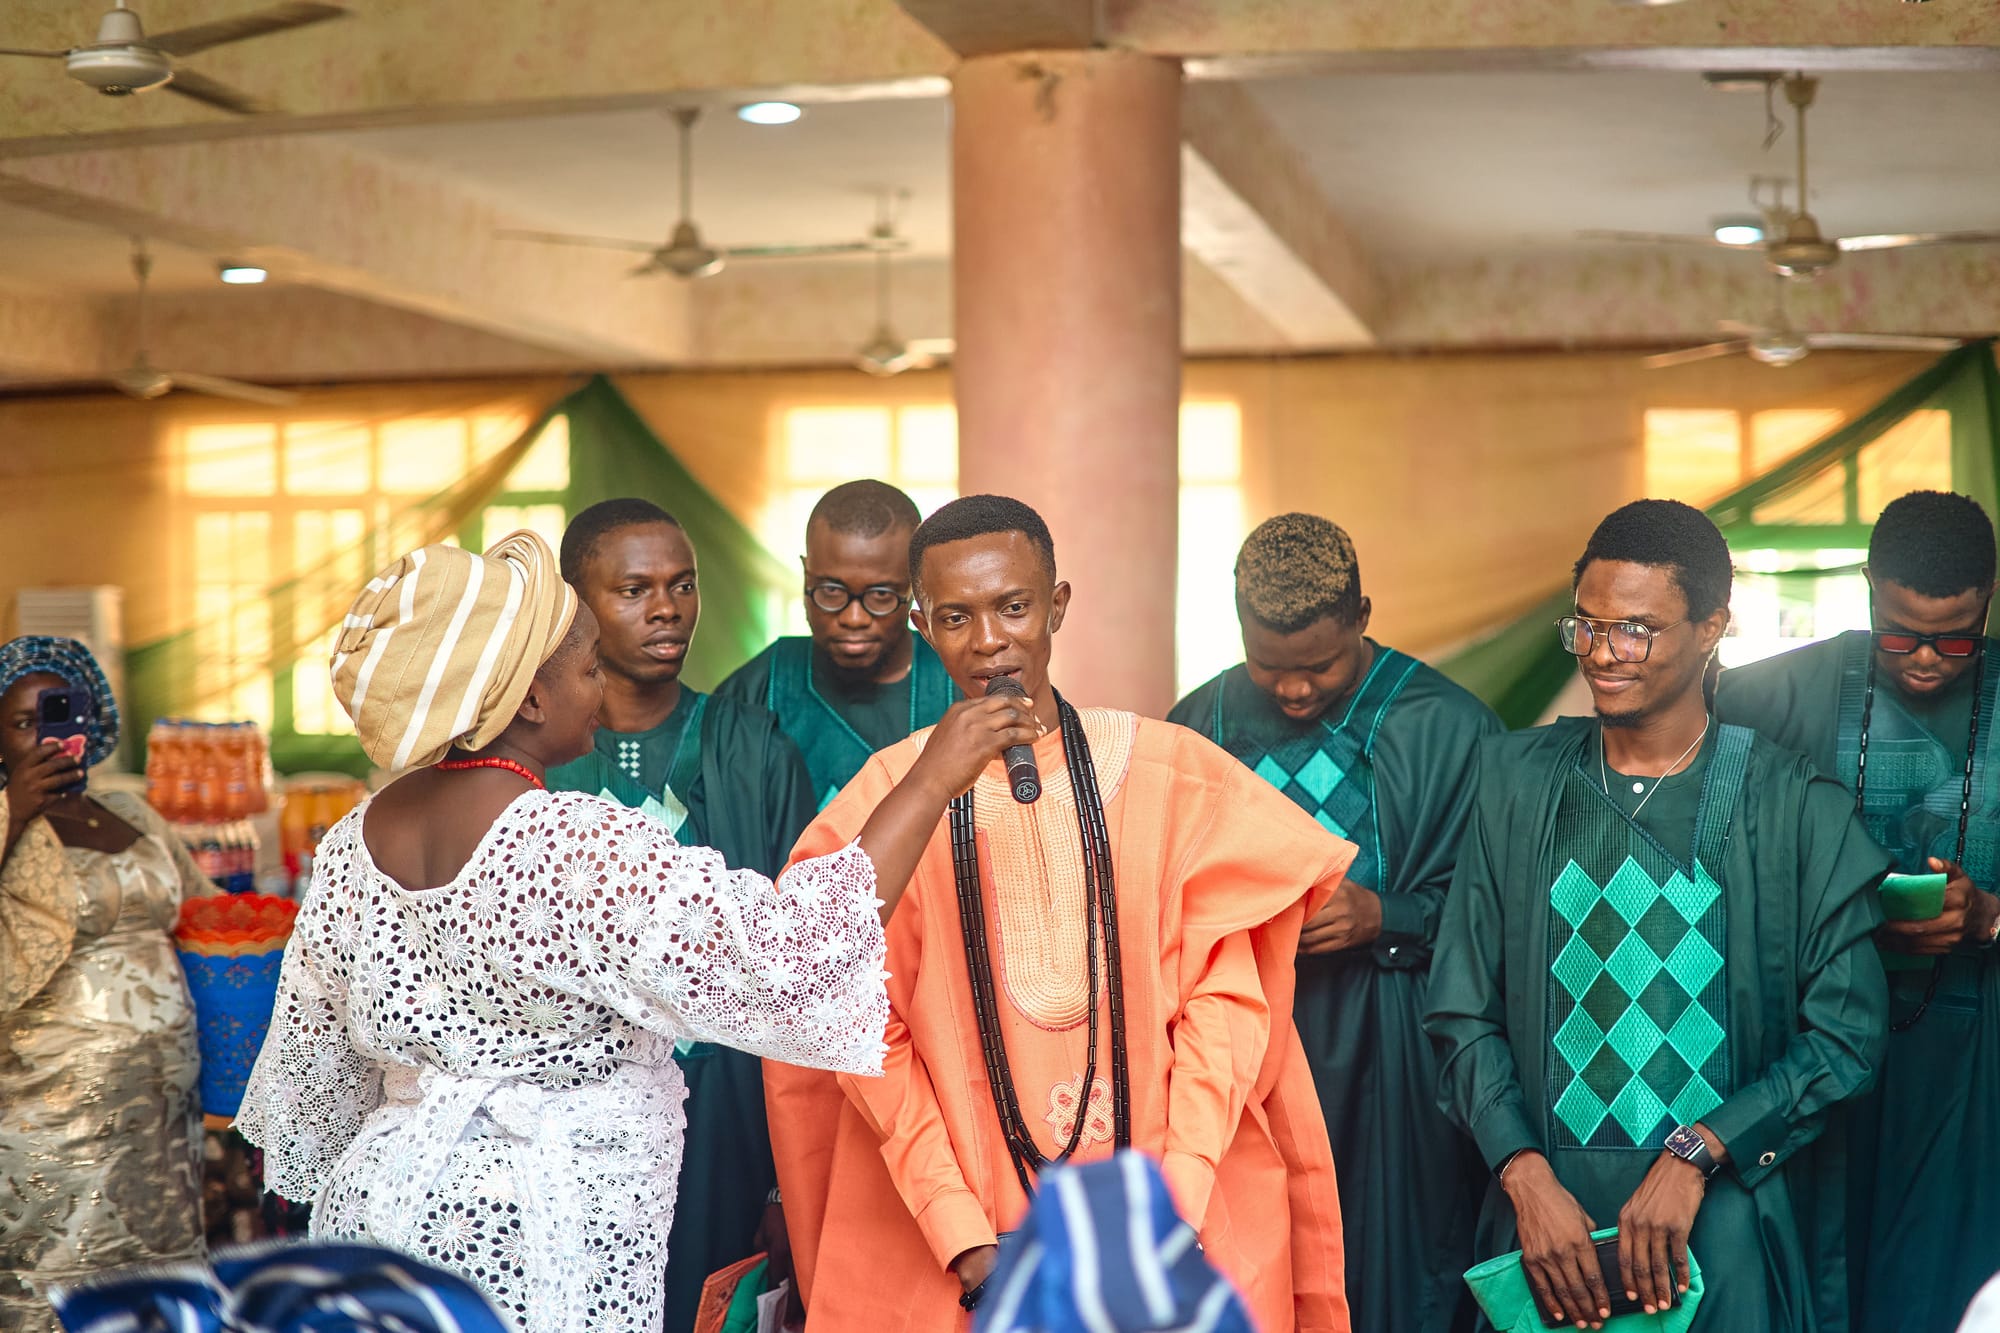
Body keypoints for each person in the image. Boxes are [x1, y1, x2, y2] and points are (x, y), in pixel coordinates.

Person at [236, 531, 1039, 1333]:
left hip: (378, 1232)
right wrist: (932, 776)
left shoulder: (354, 841)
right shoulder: (573, 845)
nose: (601, 688)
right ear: (529, 700)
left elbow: (318, 1086)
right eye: (589, 668)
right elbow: (791, 958)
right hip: (536, 1250)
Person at [767, 495, 1358, 1333]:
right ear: (923, 625)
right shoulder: (884, 805)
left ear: (1057, 606)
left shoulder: (1173, 774)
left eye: (1013, 606)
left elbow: (1225, 1009)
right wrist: (963, 1237)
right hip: (964, 1241)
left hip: (1168, 1217)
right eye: (956, 617)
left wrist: (1174, 1207)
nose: (989, 640)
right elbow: (862, 1032)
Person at [1426, 499, 1890, 1333]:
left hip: (1724, 1223)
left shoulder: (1792, 806)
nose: (1603, 653)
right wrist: (1524, 1176)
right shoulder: (1513, 785)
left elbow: (1846, 1033)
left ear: (1713, 626)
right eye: (1588, 625)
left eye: (1637, 630)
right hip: (1550, 1233)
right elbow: (1462, 1011)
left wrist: (1698, 1152)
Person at [1169, 513, 1497, 1333]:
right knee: (1251, 1266)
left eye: (1319, 665)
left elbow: (1504, 907)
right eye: (1270, 666)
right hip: (1243, 1050)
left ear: (1363, 617)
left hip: (1398, 1049)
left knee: (1394, 1270)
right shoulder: (1195, 727)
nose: (1294, 690)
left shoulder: (1447, 724)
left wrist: (1388, 914)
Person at [1715, 489, 2000, 1333]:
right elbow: (1706, 872)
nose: (1927, 660)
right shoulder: (1763, 698)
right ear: (1869, 589)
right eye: (1899, 633)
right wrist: (1840, 914)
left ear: (1989, 601)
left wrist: (1989, 917)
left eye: (1957, 638)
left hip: (1976, 1068)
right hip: (1810, 1050)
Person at [545, 498, 816, 1332]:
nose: (667, 608)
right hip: (567, 1130)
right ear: (576, 602)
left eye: (682, 584)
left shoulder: (754, 747)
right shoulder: (534, 758)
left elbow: (802, 969)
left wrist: (788, 1182)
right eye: (634, 589)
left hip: (726, 1124)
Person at [0, 636, 220, 1333]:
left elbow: (210, 916)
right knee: (59, 1288)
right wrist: (13, 811)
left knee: (157, 1285)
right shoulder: (7, 818)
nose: (46, 736)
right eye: (23, 722)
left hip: (162, 1119)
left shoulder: (134, 814)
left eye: (61, 713)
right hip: (48, 1119)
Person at [716, 479, 958, 810]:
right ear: (806, 575)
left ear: (914, 586)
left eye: (881, 595)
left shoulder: (958, 683)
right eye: (831, 591)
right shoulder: (757, 690)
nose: (854, 618)